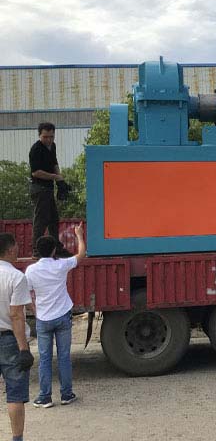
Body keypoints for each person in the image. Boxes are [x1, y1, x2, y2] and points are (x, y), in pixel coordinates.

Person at [25, 223, 85, 408]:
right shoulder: (61, 265)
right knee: (64, 356)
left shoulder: (31, 270)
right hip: (63, 315)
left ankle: (45, 397)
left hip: (43, 318)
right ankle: (66, 394)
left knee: (44, 359)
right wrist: (79, 235)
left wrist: (35, 310)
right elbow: (81, 255)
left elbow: (27, 295)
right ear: (53, 250)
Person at [0, 233, 35, 441]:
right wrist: (23, 349)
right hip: (9, 341)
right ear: (11, 249)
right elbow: (16, 315)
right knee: (14, 395)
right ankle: (17, 438)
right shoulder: (16, 277)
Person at [29, 122, 71, 258]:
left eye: (51, 137)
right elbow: (36, 172)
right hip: (39, 188)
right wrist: (55, 177)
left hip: (48, 189)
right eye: (45, 137)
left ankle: (56, 248)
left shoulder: (52, 146)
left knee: (53, 219)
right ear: (39, 135)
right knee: (41, 220)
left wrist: (60, 180)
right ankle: (36, 250)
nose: (48, 140)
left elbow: (54, 163)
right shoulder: (36, 149)